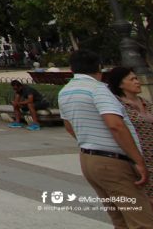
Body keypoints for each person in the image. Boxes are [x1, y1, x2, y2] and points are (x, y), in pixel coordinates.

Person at [58, 50, 153, 228]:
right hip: (113, 162)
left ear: (72, 69)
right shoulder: (98, 89)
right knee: (142, 221)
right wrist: (138, 160)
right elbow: (115, 125)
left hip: (89, 159)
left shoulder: (65, 92)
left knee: (120, 219)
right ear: (99, 68)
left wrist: (93, 140)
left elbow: (70, 127)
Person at [105, 66, 153, 200]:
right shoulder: (117, 105)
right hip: (141, 158)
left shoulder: (146, 103)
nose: (137, 82)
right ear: (120, 84)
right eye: (132, 79)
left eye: (136, 78)